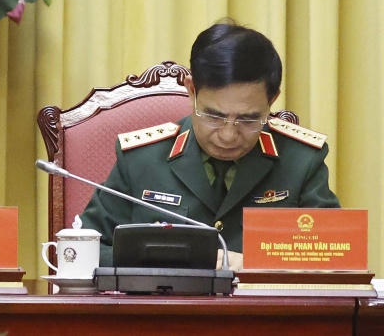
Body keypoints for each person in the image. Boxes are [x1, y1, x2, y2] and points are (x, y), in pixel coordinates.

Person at [79, 22, 339, 270]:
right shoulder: (141, 159)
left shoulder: (301, 161)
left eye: (248, 119)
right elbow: (84, 251)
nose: (228, 135)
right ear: (191, 90)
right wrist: (169, 261)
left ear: (272, 100)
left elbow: (335, 257)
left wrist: (256, 264)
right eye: (214, 116)